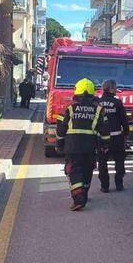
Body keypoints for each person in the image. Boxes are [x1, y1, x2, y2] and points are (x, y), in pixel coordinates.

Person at [55, 78, 110, 211]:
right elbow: (105, 130)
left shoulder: (69, 108)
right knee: (87, 171)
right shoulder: (99, 109)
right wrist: (105, 145)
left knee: (74, 172)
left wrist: (59, 144)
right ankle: (83, 195)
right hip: (90, 146)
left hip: (72, 147)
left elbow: (61, 129)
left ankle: (78, 200)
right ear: (92, 93)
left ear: (76, 92)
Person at [98, 80, 129, 192]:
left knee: (102, 162)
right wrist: (126, 134)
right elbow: (124, 120)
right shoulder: (117, 103)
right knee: (119, 161)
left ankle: (104, 186)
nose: (116, 90)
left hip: (102, 138)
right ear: (110, 89)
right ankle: (119, 184)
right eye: (115, 88)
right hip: (116, 137)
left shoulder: (98, 103)